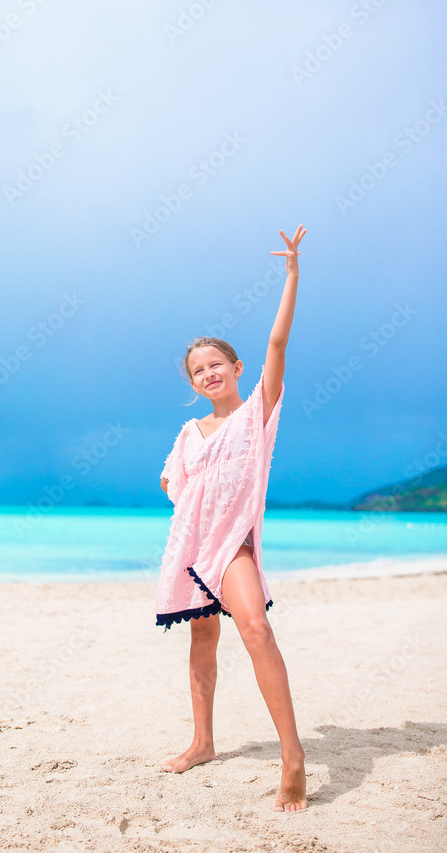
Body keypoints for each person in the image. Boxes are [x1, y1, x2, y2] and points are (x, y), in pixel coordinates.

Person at [155, 224, 308, 813]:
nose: (208, 374)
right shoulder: (189, 432)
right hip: (192, 552)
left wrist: (291, 276)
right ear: (193, 384)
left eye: (215, 364)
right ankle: (202, 741)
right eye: (198, 371)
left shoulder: (256, 417)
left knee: (256, 630)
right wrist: (180, 488)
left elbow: (278, 344)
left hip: (232, 548)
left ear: (236, 367)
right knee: (201, 640)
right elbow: (171, 481)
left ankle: (292, 756)